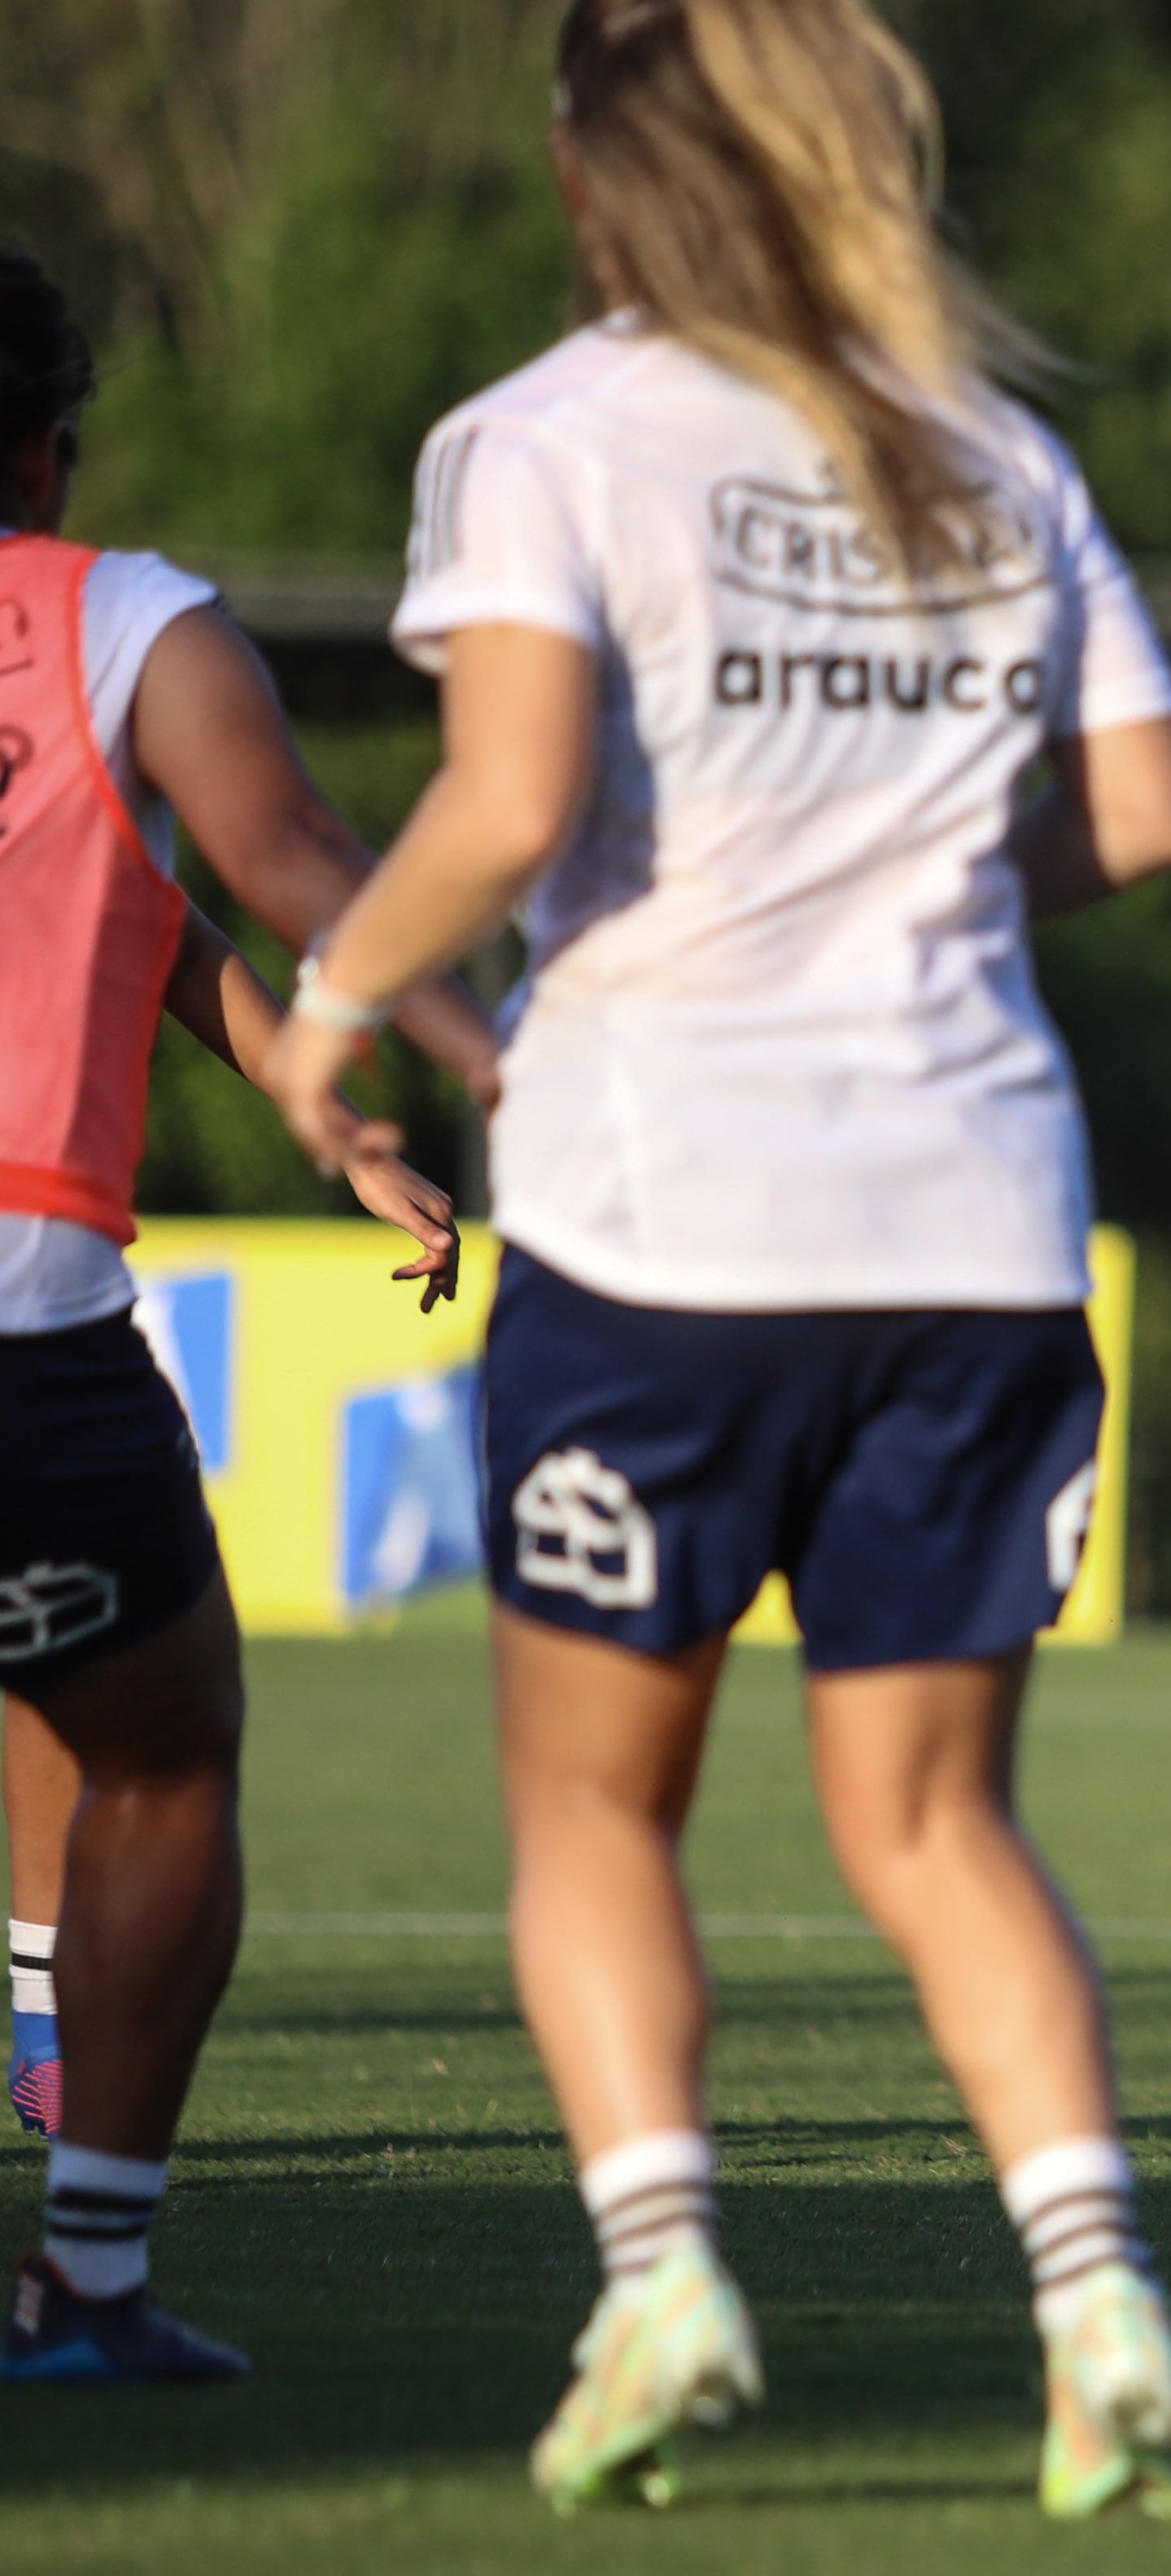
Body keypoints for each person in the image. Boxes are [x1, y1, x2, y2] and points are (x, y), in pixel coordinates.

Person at [263, 0, 1171, 2515]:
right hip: (977, 1218)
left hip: (665, 1220)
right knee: (934, 1828)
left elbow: (514, 802)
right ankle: (1098, 2296)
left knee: (594, 1810)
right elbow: (1145, 818)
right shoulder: (994, 443)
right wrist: (916, 911)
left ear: (593, 167)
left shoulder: (549, 432)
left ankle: (666, 2274)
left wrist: (337, 993)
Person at [2, 258, 464, 2379]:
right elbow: (285, 856)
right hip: (26, 1324)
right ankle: (90, 2277)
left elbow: (152, 908)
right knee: (165, 1743)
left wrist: (323, 1113)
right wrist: (484, 1055)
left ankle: (37, 2022)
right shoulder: (118, 622)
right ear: (53, 438)